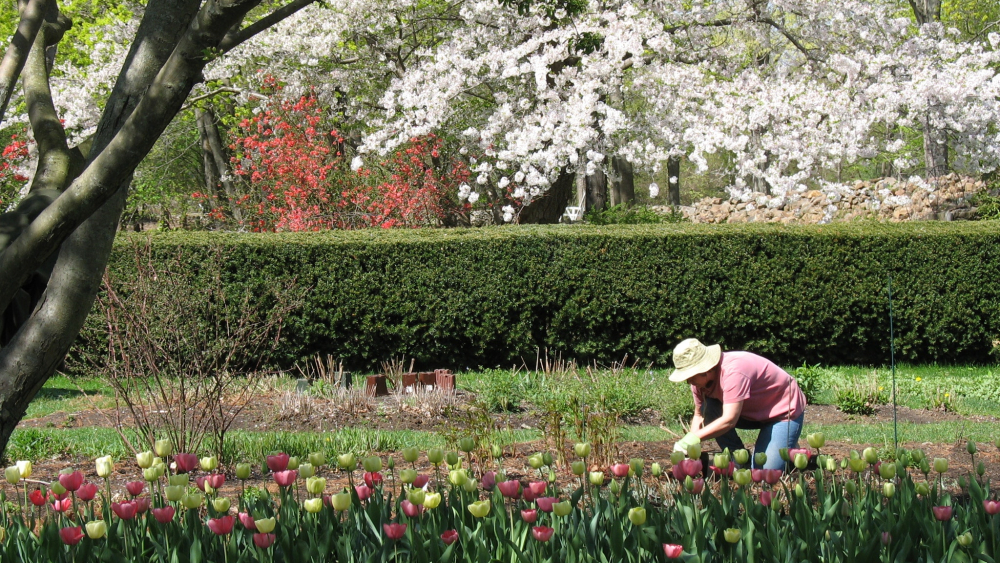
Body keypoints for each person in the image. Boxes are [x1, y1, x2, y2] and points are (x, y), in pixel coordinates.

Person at [670, 338, 805, 470]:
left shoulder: (733, 371)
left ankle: (786, 442)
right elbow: (699, 415)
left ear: (705, 369)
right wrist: (691, 450)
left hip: (782, 413)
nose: (689, 382)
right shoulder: (698, 383)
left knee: (764, 472)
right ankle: (739, 457)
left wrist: (691, 439)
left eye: (691, 376)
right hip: (748, 411)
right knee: (708, 407)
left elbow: (729, 420)